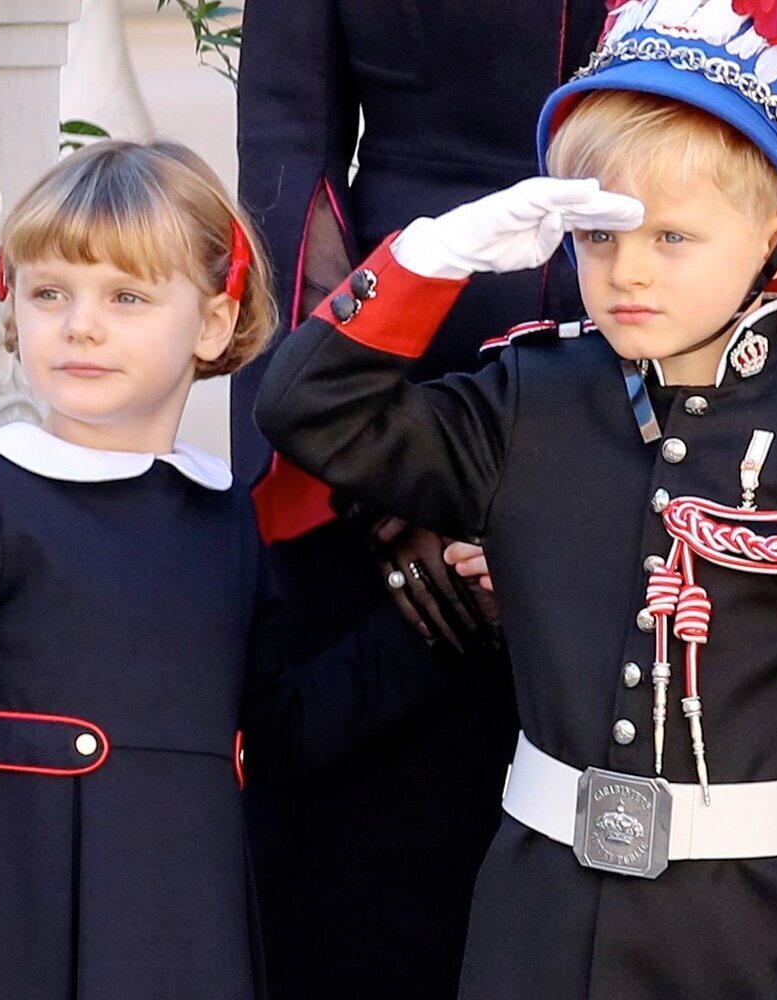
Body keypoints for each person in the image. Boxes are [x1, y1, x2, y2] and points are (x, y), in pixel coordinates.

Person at [255, 2, 777, 998]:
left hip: (738, 938)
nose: (628, 269)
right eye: (598, 237)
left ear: (770, 231)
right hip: (533, 928)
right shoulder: (528, 402)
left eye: (671, 236)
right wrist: (427, 257)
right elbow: (305, 407)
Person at [0, 140, 451, 1000]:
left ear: (212, 322)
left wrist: (436, 623)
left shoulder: (225, 519)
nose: (80, 325)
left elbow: (277, 727)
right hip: (11, 931)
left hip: (186, 933)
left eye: (126, 296)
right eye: (49, 293)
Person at [231, 5, 610, 995]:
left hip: (642, 421)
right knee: (368, 895)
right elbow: (288, 146)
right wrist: (377, 485)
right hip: (384, 391)